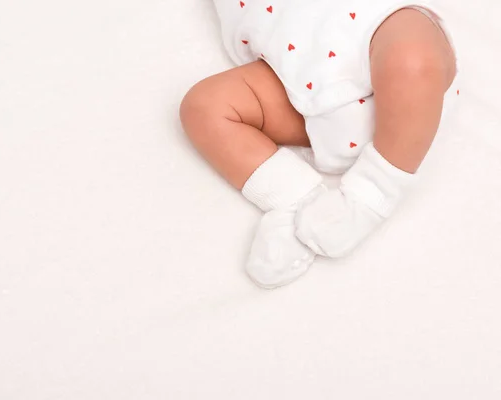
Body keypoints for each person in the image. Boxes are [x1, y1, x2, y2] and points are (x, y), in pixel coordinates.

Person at [180, 0, 459, 288]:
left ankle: (374, 189)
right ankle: (295, 198)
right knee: (202, 106)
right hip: (291, 79)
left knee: (412, 56)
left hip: (373, 29)